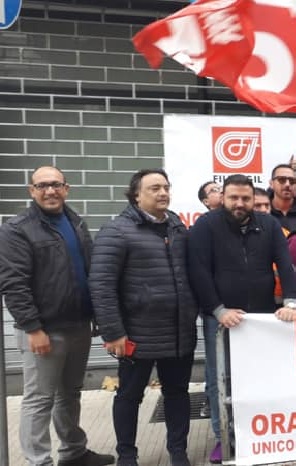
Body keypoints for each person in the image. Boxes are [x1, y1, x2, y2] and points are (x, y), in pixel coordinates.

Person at [0, 167, 114, 466]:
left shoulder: (75, 221)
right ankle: (39, 461)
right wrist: (32, 328)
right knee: (39, 399)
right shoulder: (17, 229)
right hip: (44, 330)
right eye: (42, 186)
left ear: (66, 188)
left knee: (70, 394)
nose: (49, 191)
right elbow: (13, 283)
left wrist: (97, 314)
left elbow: (89, 270)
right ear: (31, 191)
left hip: (78, 325)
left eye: (55, 184)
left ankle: (73, 452)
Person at [187, 174, 296, 464]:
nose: (239, 203)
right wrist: (218, 310)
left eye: (245, 198)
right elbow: (198, 271)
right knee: (220, 380)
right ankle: (223, 438)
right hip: (221, 318)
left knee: (260, 376)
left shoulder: (269, 224)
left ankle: (258, 434)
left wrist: (290, 301)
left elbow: (285, 263)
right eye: (233, 197)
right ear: (223, 198)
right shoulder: (205, 225)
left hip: (261, 317)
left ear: (254, 199)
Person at [89, 169, 199, 466]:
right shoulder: (117, 231)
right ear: (136, 195)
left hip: (179, 333)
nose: (163, 193)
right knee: (129, 396)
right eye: (154, 188)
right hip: (137, 333)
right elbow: (101, 285)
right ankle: (127, 455)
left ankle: (178, 452)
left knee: (177, 393)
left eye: (166, 187)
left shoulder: (177, 227)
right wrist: (113, 332)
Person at [268, 164, 296, 231]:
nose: (287, 184)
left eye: (292, 181)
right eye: (281, 180)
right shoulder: (261, 211)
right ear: (271, 184)